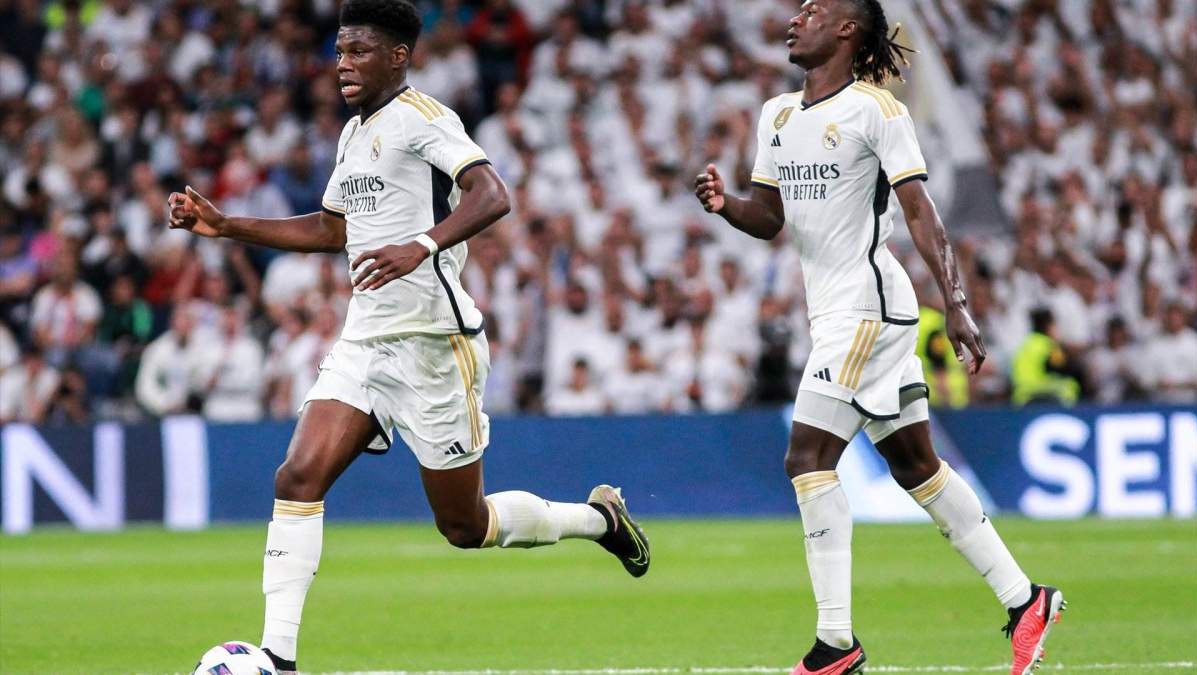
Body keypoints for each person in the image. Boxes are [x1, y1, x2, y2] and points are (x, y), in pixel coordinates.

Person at [166, 2, 649, 672]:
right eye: (339, 51)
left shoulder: (425, 119)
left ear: (398, 55)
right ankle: (278, 656)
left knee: (465, 525)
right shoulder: (353, 134)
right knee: (298, 475)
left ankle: (600, 520)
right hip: (367, 339)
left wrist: (421, 245)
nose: (343, 65)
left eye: (359, 51)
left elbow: (492, 193)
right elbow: (330, 230)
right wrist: (227, 227)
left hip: (433, 343)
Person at [693, 2, 1062, 674]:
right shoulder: (776, 115)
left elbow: (919, 209)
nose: (795, 17)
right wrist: (726, 207)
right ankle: (1025, 599)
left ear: (846, 30)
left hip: (868, 307)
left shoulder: (876, 110)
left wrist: (956, 303)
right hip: (835, 311)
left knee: (806, 456)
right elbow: (770, 217)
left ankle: (835, 643)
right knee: (916, 466)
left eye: (813, 10)